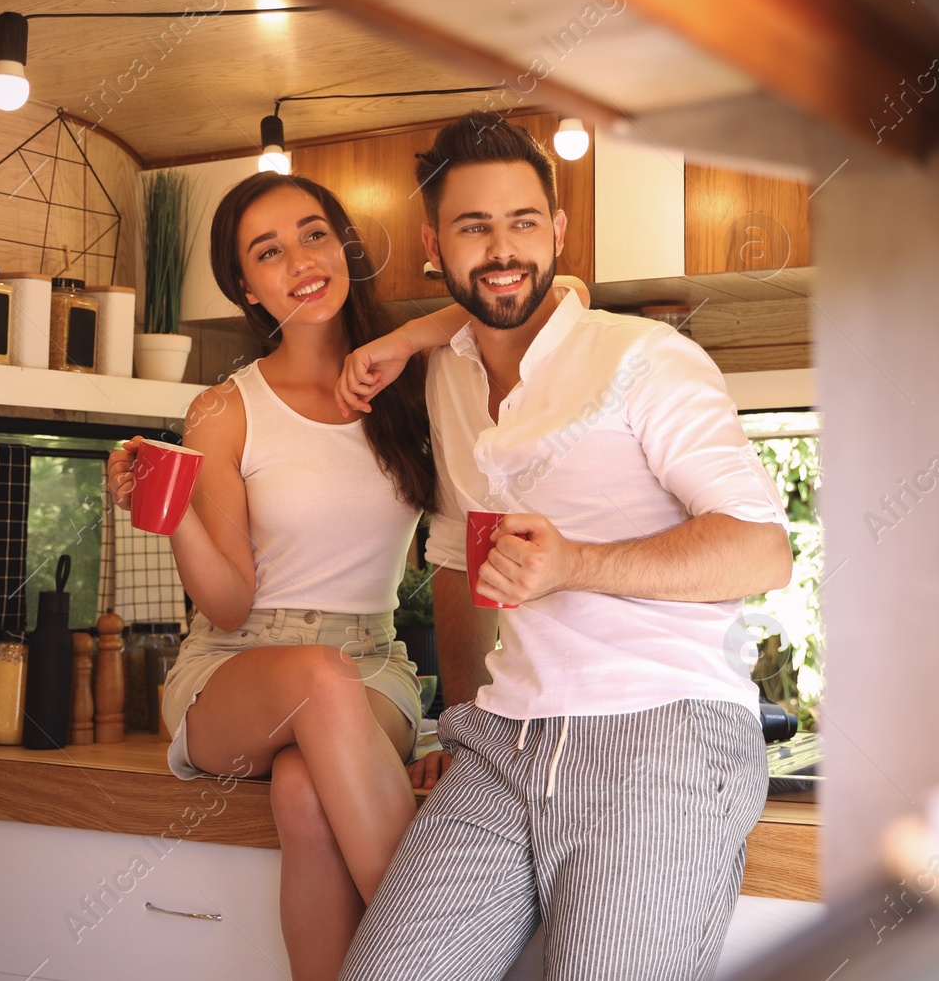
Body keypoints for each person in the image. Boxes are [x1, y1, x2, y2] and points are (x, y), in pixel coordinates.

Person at [334, 113, 796, 981]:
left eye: (522, 221)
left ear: (558, 231)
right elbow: (457, 564)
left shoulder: (647, 357)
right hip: (501, 748)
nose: (502, 248)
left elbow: (761, 551)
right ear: (435, 244)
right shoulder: (449, 376)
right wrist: (450, 719)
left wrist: (576, 562)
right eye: (474, 226)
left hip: (662, 735)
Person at [107, 171, 588, 980]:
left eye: (314, 233)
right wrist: (172, 507)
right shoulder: (226, 409)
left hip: (375, 668)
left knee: (304, 793)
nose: (300, 259)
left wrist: (403, 342)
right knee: (317, 680)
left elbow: (560, 292)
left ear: (345, 248)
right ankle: (451, 959)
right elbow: (226, 601)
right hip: (234, 671)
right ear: (248, 289)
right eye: (269, 251)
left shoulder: (416, 382)